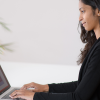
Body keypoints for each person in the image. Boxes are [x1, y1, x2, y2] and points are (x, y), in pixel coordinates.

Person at [9, 0, 100, 100]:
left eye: (83, 11)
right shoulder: (96, 44)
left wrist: (34, 96)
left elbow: (78, 97)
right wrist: (45, 88)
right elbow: (83, 86)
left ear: (98, 11)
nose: (79, 18)